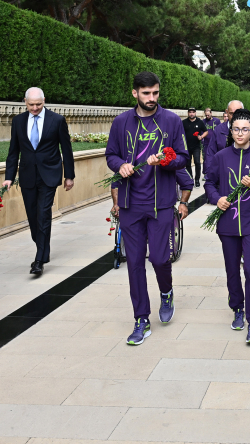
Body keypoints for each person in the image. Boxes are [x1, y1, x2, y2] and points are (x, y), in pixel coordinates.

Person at [105, 71, 190, 346]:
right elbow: (111, 154)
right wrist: (120, 165)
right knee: (134, 263)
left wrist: (165, 160)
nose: (151, 98)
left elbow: (184, 157)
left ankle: (166, 292)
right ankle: (141, 318)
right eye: (146, 93)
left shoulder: (171, 121)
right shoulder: (120, 123)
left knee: (159, 259)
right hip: (130, 203)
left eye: (155, 93)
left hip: (161, 204)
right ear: (135, 94)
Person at [205, 109, 250, 344]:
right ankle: (237, 307)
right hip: (228, 224)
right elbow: (209, 184)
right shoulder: (221, 157)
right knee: (232, 270)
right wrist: (217, 198)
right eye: (236, 129)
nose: (240, 133)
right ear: (230, 130)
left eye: (245, 129)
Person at [4, 87, 75, 276]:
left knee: (43, 215)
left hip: (49, 175)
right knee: (33, 217)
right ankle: (43, 246)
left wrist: (69, 176)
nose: (35, 108)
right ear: (25, 102)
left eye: (38, 104)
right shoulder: (18, 121)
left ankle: (39, 260)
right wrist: (9, 177)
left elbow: (66, 149)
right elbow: (13, 151)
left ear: (44, 101)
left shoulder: (57, 120)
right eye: (31, 104)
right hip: (27, 175)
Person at [204, 100, 244, 178]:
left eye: (238, 113)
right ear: (227, 112)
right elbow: (210, 154)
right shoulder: (218, 130)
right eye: (232, 113)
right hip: (223, 177)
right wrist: (210, 176)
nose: (235, 117)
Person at [182, 108, 207, 187]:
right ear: (188, 113)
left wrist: (201, 136)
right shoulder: (184, 122)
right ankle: (190, 179)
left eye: (193, 112)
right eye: (190, 112)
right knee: (188, 164)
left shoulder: (200, 122)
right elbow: (180, 132)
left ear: (195, 113)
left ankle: (197, 179)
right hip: (187, 147)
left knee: (197, 162)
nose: (191, 114)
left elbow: (206, 131)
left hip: (196, 146)